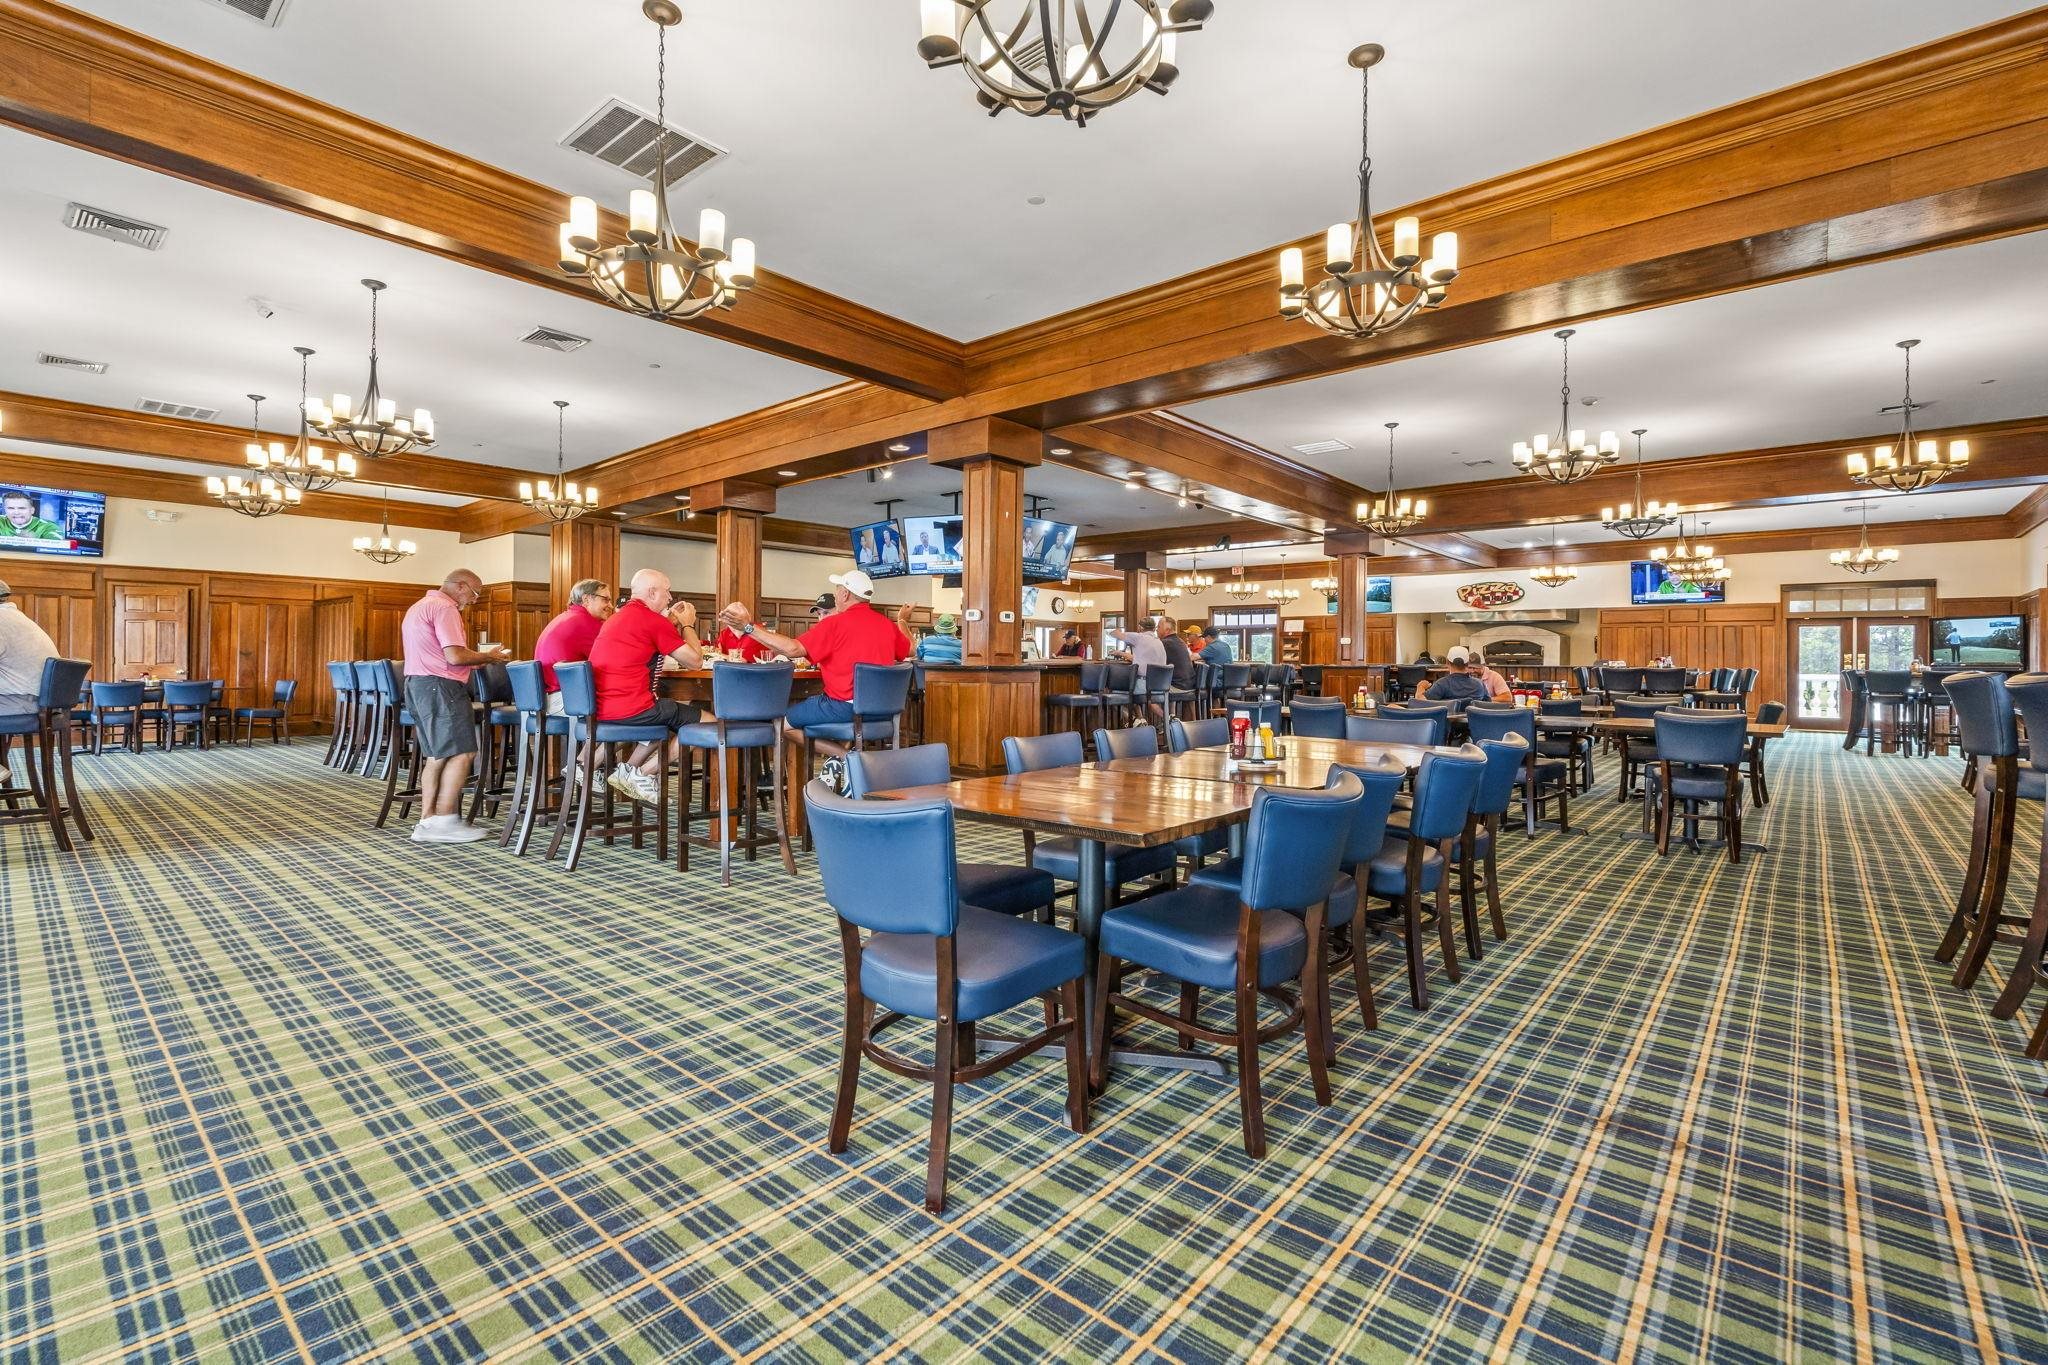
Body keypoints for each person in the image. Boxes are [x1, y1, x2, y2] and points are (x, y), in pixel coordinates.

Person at [715, 569, 909, 790]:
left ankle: (848, 758)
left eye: (837, 590)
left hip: (844, 708)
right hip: (885, 711)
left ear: (845, 594)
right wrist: (902, 620)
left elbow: (793, 649)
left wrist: (748, 628)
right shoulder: (886, 624)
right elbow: (909, 650)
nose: (835, 594)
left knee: (781, 725)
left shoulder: (834, 624)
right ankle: (850, 760)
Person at [400, 569, 510, 844]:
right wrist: (489, 656)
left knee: (436, 755)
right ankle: (446, 820)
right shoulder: (444, 608)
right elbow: (454, 655)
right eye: (474, 593)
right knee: (463, 752)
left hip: (418, 685)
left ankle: (428, 820)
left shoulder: (419, 606)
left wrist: (477, 659)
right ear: (461, 586)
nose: (474, 600)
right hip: (440, 687)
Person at [586, 569, 704, 804]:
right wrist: (688, 625)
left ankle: (629, 771)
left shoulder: (617, 618)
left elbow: (648, 636)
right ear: (652, 592)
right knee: (707, 723)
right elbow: (696, 661)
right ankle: (641, 773)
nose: (670, 597)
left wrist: (669, 623)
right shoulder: (652, 621)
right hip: (632, 709)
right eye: (667, 591)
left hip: (602, 708)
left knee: (668, 715)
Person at [533, 578, 613, 712]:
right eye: (605, 599)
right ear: (586, 599)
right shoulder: (586, 623)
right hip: (564, 700)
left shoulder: (565, 618)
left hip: (545, 700)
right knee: (627, 709)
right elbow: (611, 662)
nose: (610, 605)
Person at [1446, 646, 1511, 701]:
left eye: (1475, 668)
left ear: (1483, 666)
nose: (1472, 671)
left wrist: (1483, 701)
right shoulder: (1463, 677)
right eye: (1470, 668)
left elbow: (1507, 697)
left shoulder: (1494, 676)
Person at [1424, 654, 1488, 705]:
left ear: (1447, 663)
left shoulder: (1441, 684)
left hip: (1448, 718)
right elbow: (1487, 704)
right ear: (1468, 663)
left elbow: (1424, 704)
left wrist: (1420, 688)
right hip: (1473, 718)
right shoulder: (1480, 684)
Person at [1158, 615, 1195, 689]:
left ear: (1167, 630)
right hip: (1190, 684)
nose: (1156, 630)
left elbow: (1152, 662)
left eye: (1158, 627)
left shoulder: (1165, 643)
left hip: (1177, 686)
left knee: (1146, 687)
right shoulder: (1180, 641)